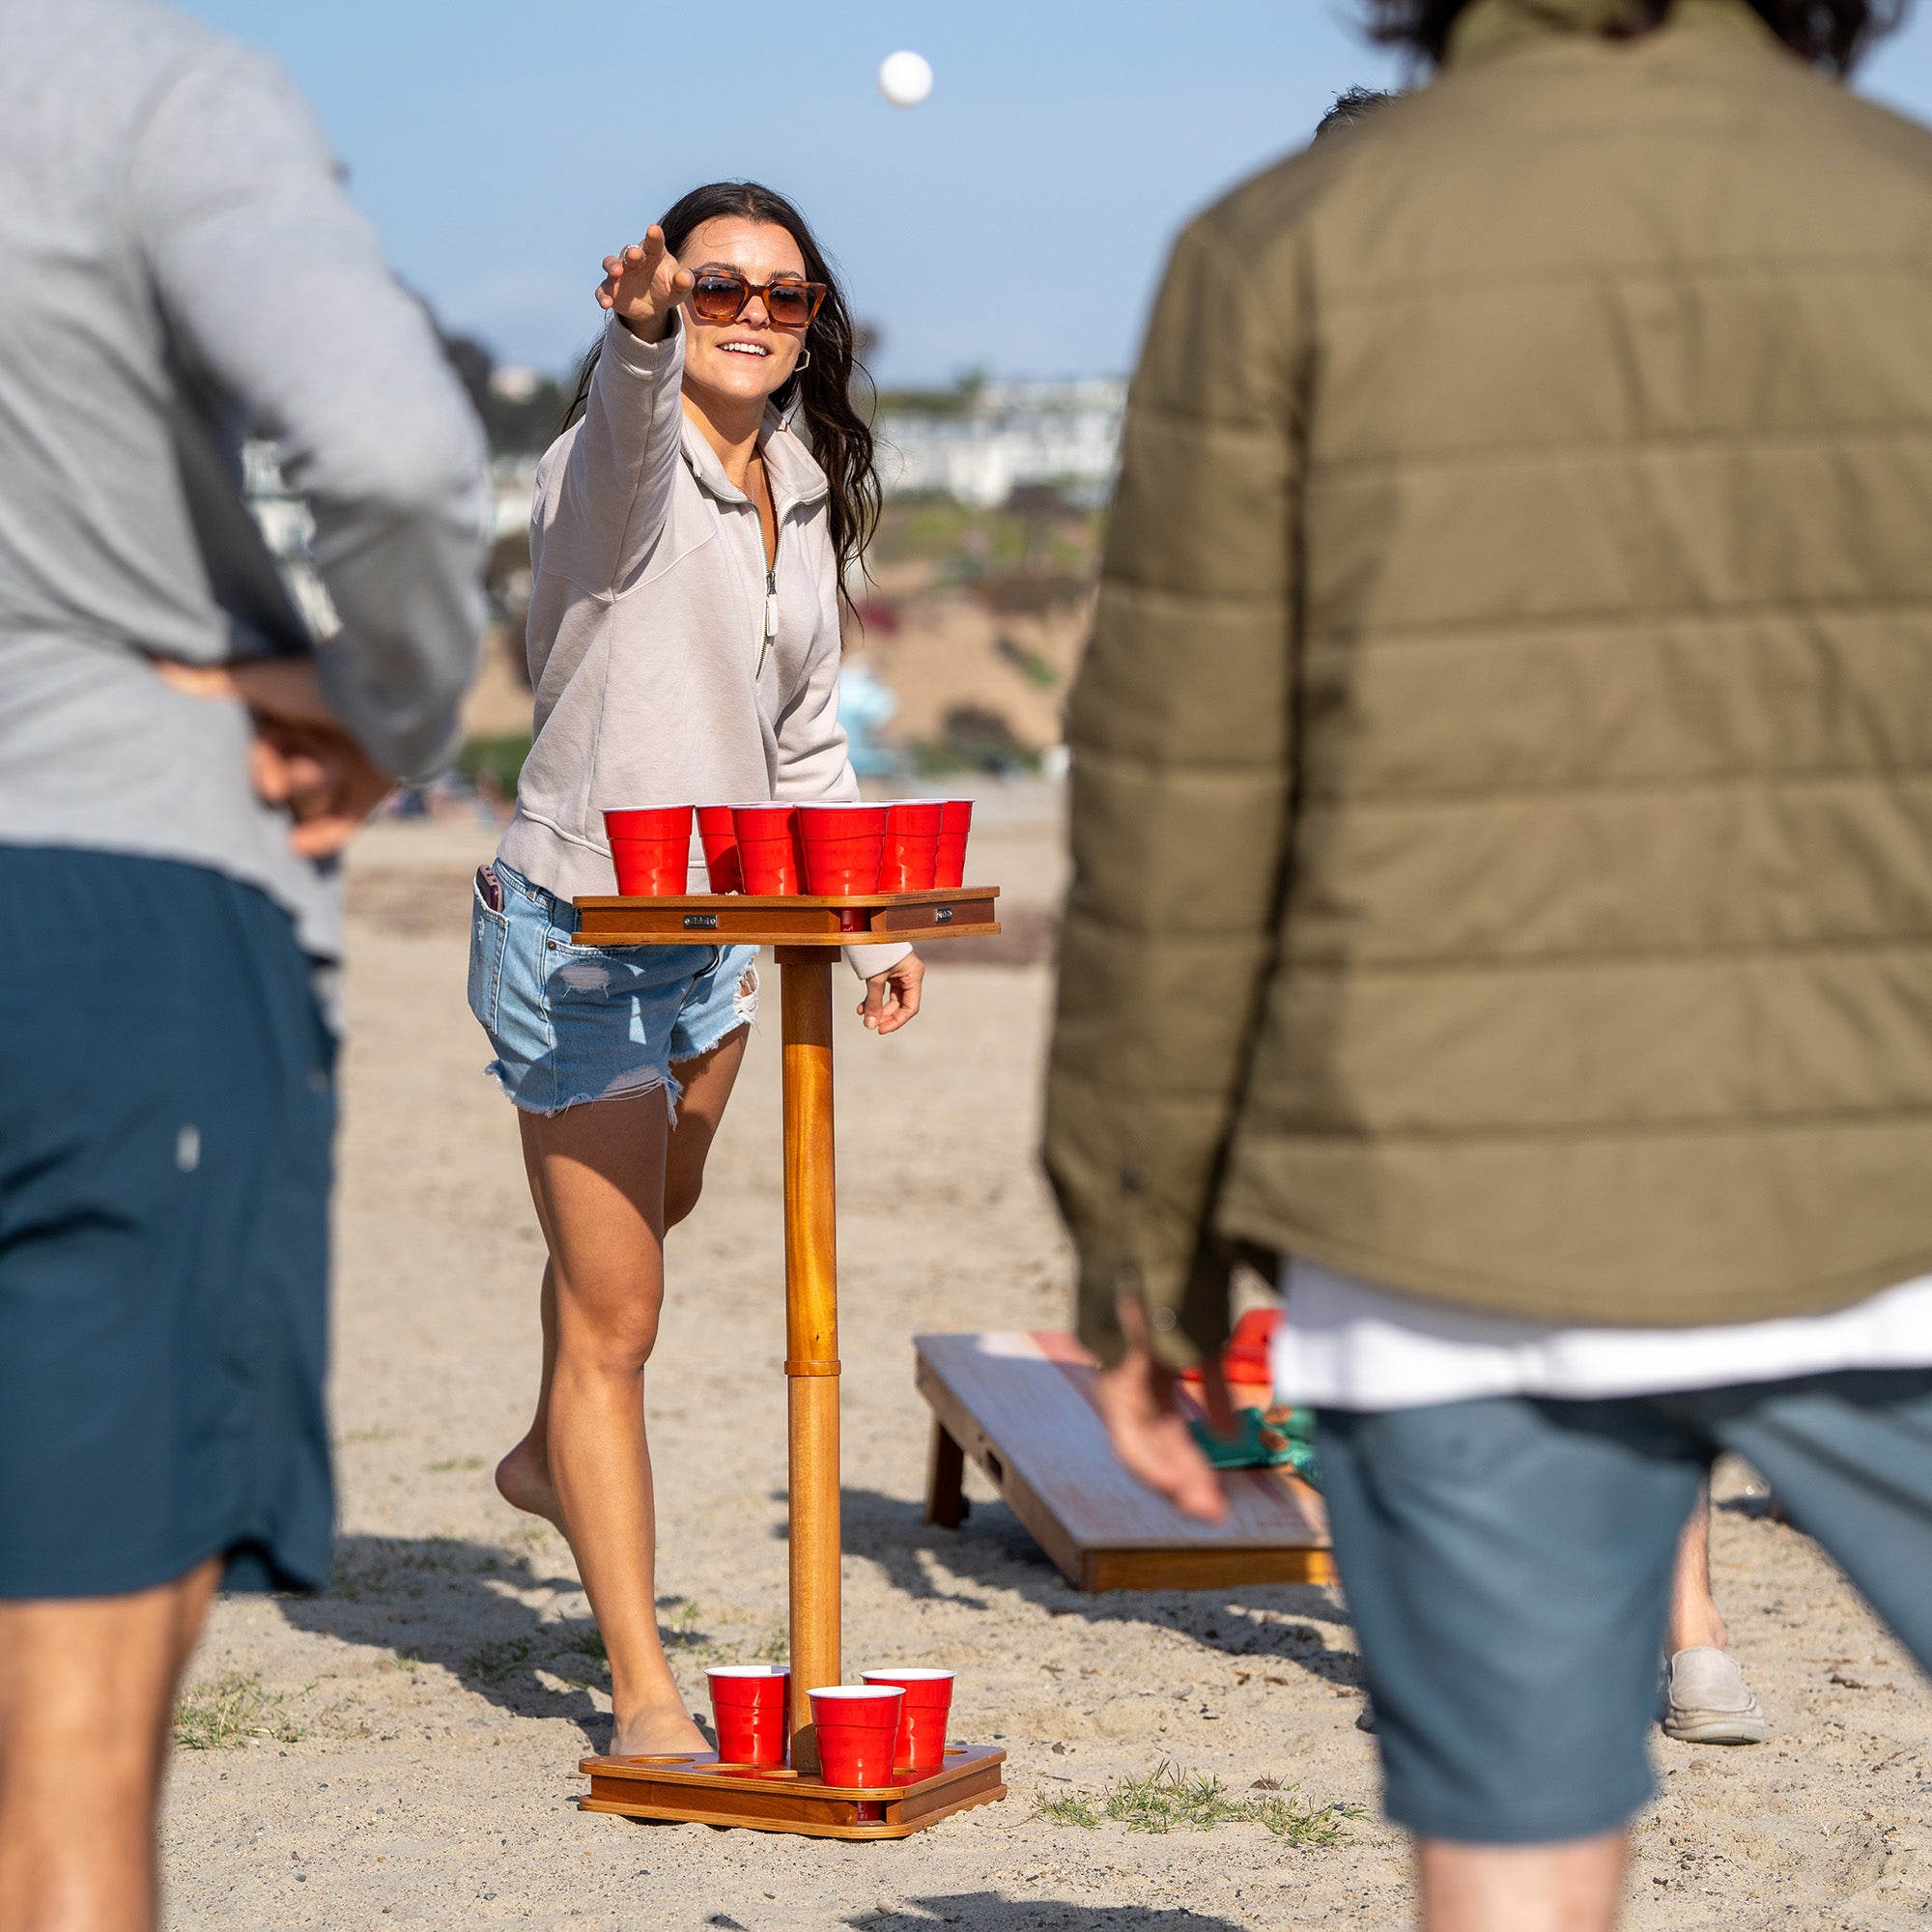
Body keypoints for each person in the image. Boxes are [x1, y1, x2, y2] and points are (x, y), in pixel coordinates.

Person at [1045, 3, 1932, 1928]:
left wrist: (1138, 1256)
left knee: (1515, 1864)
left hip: (1435, 1193)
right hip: (1881, 1159)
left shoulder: (1279, 249)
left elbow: (1178, 806)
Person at [0, 1, 487, 1926]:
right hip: (104, 904)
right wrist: (391, 704)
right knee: (69, 1760)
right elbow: (386, 448)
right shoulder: (138, 86)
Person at [470, 181, 923, 1757]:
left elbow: (803, 732)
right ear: (670, 291)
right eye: (717, 284)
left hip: (724, 940)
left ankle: (545, 1448)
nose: (751, 311)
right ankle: (644, 1690)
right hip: (585, 927)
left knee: (644, 1226)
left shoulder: (797, 480)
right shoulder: (618, 459)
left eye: (782, 295)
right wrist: (637, 334)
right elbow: (628, 413)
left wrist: (863, 917)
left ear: (812, 324)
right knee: (624, 1315)